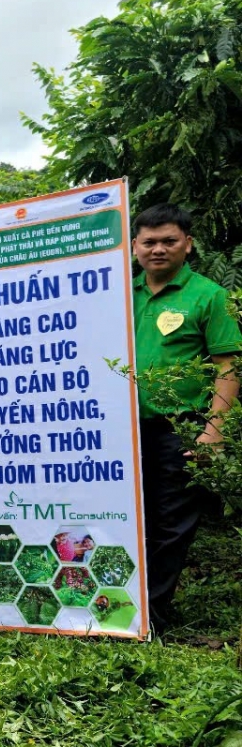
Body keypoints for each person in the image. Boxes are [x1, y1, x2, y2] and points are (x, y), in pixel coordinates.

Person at [131, 203, 241, 629]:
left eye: (169, 241)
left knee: (171, 521)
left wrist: (213, 431)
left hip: (180, 427)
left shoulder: (209, 295)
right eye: (149, 242)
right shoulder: (118, 293)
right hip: (118, 430)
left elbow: (228, 366)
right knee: (124, 514)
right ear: (136, 246)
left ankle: (152, 616)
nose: (159, 249)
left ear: (188, 244)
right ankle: (116, 603)